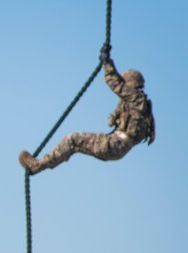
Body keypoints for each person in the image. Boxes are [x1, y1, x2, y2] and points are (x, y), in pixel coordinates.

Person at [19, 44, 154, 175]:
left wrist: (106, 62)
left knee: (73, 139)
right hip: (117, 145)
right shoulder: (141, 104)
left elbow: (115, 83)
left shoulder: (136, 98)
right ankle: (43, 164)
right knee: (74, 144)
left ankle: (36, 166)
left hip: (114, 144)